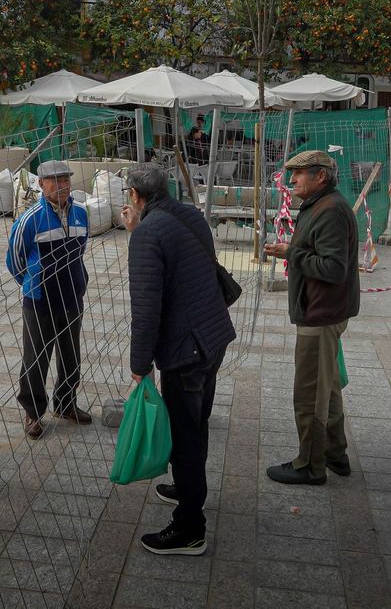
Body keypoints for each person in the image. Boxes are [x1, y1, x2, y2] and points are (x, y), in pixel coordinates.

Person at [120, 163, 237, 556]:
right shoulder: (189, 215)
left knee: (186, 435)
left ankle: (190, 528)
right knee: (195, 423)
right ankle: (189, 488)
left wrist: (139, 366)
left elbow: (146, 309)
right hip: (212, 335)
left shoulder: (147, 234)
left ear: (135, 196)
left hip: (187, 348)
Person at [261, 150, 359, 486]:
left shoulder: (329, 210)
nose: (292, 180)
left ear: (320, 176)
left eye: (299, 173)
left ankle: (310, 466)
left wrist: (291, 253)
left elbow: (333, 268)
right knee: (326, 388)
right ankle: (334, 454)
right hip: (322, 311)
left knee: (309, 394)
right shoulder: (321, 205)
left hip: (320, 314)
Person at [6, 160, 92, 439]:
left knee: (71, 355)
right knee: (35, 359)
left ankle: (66, 404)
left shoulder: (81, 213)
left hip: (72, 298)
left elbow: (80, 252)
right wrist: (33, 282)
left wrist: (78, 282)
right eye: (54, 181)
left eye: (65, 179)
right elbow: (15, 260)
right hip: (39, 300)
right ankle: (33, 411)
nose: (61, 186)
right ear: (41, 184)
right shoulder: (30, 219)